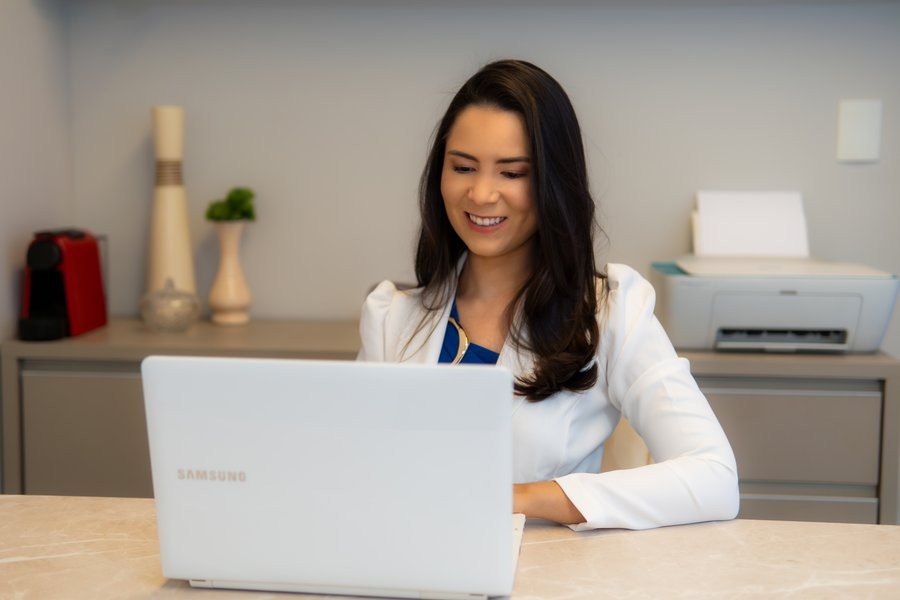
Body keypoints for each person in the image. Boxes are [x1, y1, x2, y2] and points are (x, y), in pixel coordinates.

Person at [357, 59, 739, 530]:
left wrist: (516, 498)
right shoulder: (391, 317)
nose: (480, 194)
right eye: (463, 167)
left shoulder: (610, 313)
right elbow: (357, 474)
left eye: (512, 173)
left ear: (552, 182)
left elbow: (714, 478)